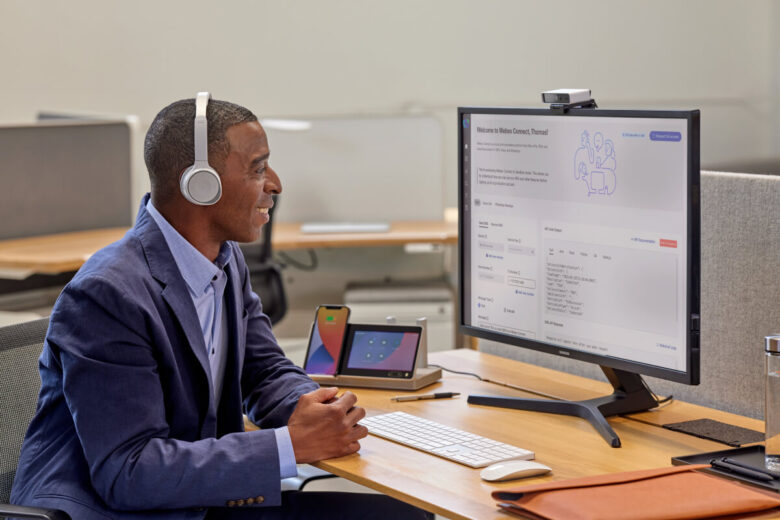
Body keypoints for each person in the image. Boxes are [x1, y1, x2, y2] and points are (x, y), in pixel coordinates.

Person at [10, 96, 431, 520]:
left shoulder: (222, 260)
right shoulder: (107, 295)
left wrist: (312, 407)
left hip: (198, 499)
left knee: (403, 516)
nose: (276, 185)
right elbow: (129, 471)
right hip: (118, 512)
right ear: (201, 185)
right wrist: (291, 445)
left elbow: (264, 369)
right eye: (257, 168)